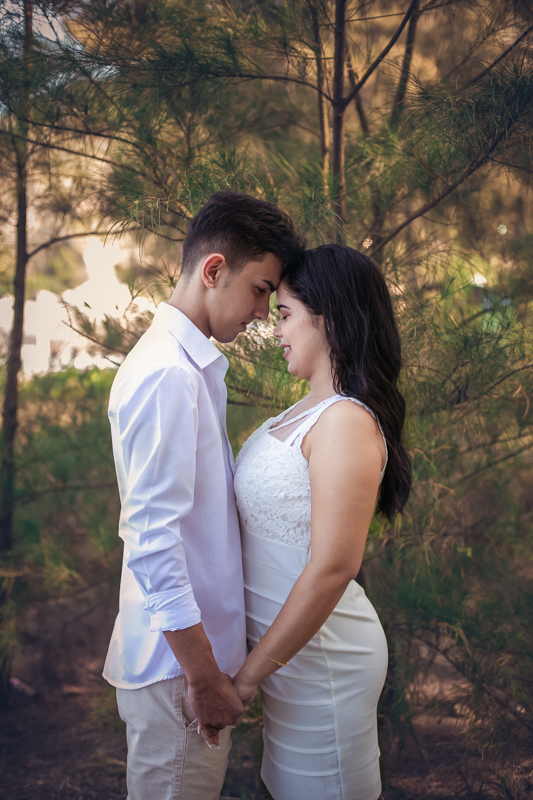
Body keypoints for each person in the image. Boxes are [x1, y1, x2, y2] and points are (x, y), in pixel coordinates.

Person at [102, 191, 304, 800]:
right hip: (179, 672)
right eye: (261, 288)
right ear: (213, 270)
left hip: (186, 666)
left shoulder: (187, 368)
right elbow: (151, 536)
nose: (265, 311)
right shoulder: (167, 373)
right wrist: (202, 672)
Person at [233, 244, 412, 800]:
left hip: (325, 662)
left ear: (328, 317)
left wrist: (246, 678)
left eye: (285, 314)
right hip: (288, 662)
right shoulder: (294, 415)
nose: (274, 328)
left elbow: (335, 566)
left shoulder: (346, 421)